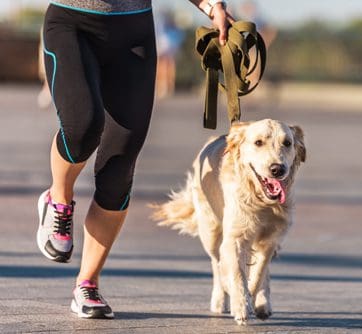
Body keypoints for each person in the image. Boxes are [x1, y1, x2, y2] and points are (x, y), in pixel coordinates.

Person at [36, 0, 231, 319]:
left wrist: (212, 7)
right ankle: (59, 197)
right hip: (71, 24)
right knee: (83, 127)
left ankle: (87, 283)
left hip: (133, 33)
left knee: (120, 162)